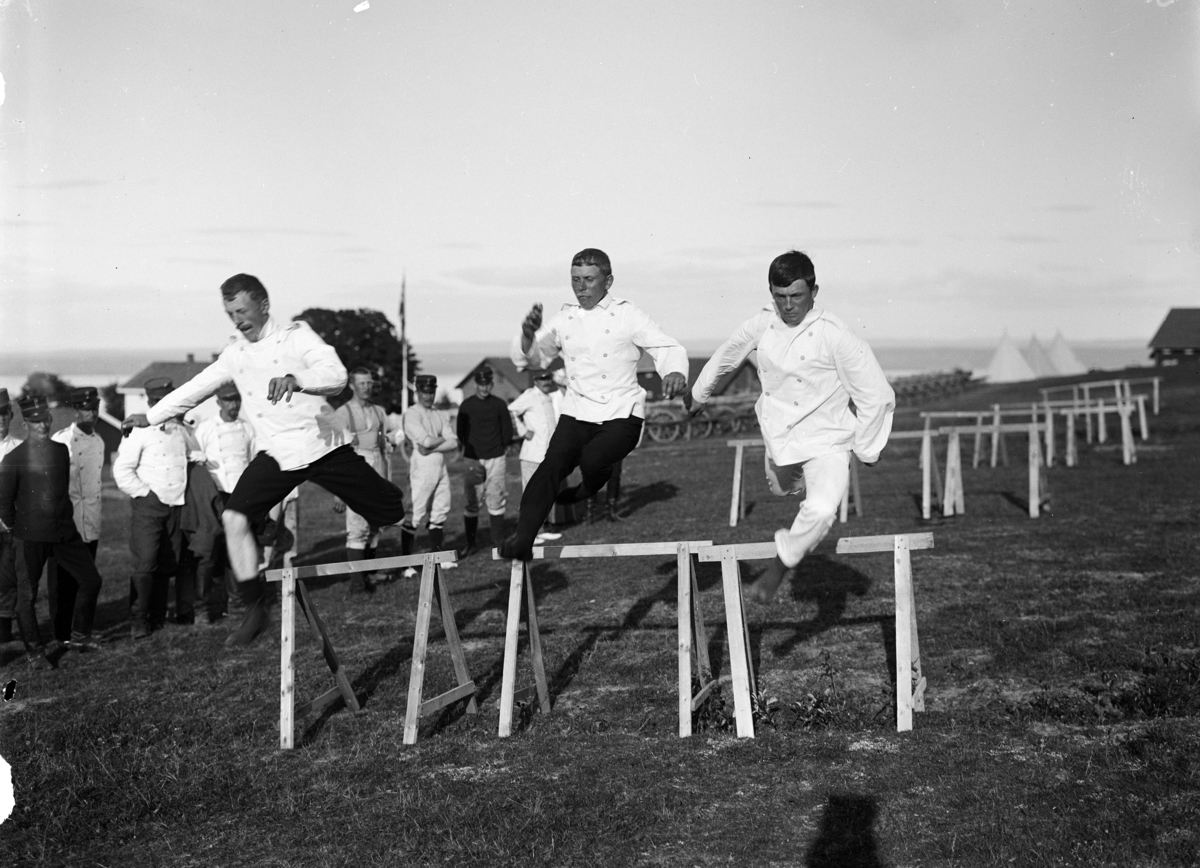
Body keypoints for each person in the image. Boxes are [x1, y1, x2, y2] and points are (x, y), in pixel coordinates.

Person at [122, 273, 406, 646]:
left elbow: (335, 375)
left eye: (241, 310)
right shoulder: (235, 352)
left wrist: (296, 379)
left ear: (263, 305)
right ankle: (255, 610)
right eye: (229, 314)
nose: (237, 320)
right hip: (277, 454)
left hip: (321, 445)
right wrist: (153, 415)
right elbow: (196, 388)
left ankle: (390, 508)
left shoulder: (295, 335)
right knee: (233, 518)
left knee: (389, 509)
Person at [689, 250, 895, 602]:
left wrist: (868, 448)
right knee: (782, 489)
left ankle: (775, 573)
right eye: (779, 297)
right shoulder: (762, 323)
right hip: (781, 438)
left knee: (823, 508)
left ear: (814, 292)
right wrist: (700, 392)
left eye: (796, 296)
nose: (788, 306)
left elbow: (875, 392)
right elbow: (730, 351)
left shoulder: (836, 335)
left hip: (828, 440)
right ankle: (795, 487)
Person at [500, 247, 689, 561]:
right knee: (549, 468)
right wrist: (526, 334)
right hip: (577, 411)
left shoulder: (628, 314)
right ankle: (523, 538)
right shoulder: (565, 318)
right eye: (575, 280)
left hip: (622, 412)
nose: (580, 287)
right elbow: (533, 359)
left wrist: (674, 372)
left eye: (589, 280)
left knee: (593, 461)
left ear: (608, 280)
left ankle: (586, 489)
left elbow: (665, 345)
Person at [0, 396, 105, 667]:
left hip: (63, 533)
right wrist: (16, 529)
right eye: (35, 421)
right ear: (25, 424)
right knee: (27, 596)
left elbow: (61, 491)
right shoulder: (13, 458)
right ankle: (35, 653)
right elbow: (4, 504)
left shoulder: (60, 450)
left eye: (45, 419)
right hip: (30, 535)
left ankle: (80, 635)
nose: (42, 424)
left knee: (91, 580)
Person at [113, 376, 199, 637]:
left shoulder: (179, 429)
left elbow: (192, 453)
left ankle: (158, 617)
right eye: (160, 401)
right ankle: (139, 620)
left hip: (176, 506)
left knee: (166, 562)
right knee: (146, 562)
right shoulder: (139, 430)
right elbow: (122, 471)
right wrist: (146, 494)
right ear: (151, 402)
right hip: (148, 508)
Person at [191, 381, 257, 623]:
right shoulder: (205, 429)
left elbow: (253, 460)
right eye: (228, 400)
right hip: (213, 496)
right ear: (218, 402)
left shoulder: (248, 429)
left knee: (236, 551)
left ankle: (237, 604)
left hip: (239, 496)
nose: (234, 405)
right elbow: (193, 457)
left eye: (237, 399)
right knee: (207, 554)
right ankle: (201, 609)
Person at [47, 387, 107, 647]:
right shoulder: (62, 440)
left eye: (94, 408)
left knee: (86, 575)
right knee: (62, 581)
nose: (91, 413)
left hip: (90, 515)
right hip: (66, 518)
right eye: (85, 408)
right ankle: (61, 634)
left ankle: (81, 629)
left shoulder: (100, 441)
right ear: (75, 411)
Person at [332, 366, 399, 591]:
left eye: (369, 383)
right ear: (352, 385)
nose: (367, 387)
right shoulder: (343, 413)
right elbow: (336, 452)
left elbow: (388, 440)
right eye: (362, 383)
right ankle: (357, 582)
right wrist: (339, 491)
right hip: (356, 466)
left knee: (375, 524)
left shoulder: (379, 411)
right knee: (357, 525)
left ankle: (370, 573)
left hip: (377, 465)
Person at [398, 375, 459, 575]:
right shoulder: (412, 414)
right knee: (416, 511)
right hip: (421, 466)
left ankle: (438, 558)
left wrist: (435, 443)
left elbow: (454, 442)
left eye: (431, 391)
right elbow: (424, 441)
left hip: (439, 464)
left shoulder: (439, 414)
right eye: (424, 391)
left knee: (441, 508)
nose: (428, 395)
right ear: (417, 392)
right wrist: (440, 441)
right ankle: (407, 564)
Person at [455, 365, 514, 557]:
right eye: (481, 384)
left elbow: (507, 431)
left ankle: (498, 542)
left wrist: (500, 446)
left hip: (496, 457)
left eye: (487, 384)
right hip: (473, 458)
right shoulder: (466, 406)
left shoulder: (499, 404)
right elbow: (460, 433)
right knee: (472, 502)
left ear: (492, 383)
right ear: (475, 384)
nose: (484, 388)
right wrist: (471, 450)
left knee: (496, 498)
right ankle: (470, 543)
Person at [507, 369, 564, 544]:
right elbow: (510, 410)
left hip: (547, 455)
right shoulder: (530, 395)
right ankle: (529, 532)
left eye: (548, 378)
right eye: (542, 379)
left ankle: (542, 528)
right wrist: (524, 431)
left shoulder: (550, 397)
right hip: (532, 454)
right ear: (535, 380)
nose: (546, 382)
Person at [0, 389, 25, 646]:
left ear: (10, 415)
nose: (0, 420)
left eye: (3, 414)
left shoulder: (20, 449)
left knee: (8, 578)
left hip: (10, 526)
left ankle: (4, 627)